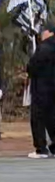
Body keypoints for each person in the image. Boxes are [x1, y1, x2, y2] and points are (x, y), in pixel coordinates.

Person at [28, 21, 55, 159]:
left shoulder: (44, 48)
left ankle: (41, 148)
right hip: (52, 88)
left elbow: (33, 67)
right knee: (51, 118)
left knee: (37, 118)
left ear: (50, 32)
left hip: (42, 88)